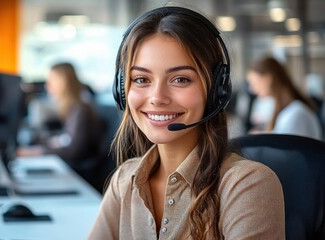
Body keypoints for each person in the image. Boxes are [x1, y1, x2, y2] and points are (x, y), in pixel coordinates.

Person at [88, 6, 284, 239]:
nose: (157, 97)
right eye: (141, 79)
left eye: (180, 79)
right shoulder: (125, 180)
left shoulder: (246, 185)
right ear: (122, 90)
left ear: (215, 91)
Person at [17, 62, 103, 180]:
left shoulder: (80, 110)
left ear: (64, 83)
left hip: (79, 174)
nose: (48, 86)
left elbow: (74, 151)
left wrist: (37, 152)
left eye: (52, 81)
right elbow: (66, 139)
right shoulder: (74, 108)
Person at [246, 56, 323, 141]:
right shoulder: (288, 110)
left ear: (268, 79)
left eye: (254, 83)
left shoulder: (296, 114)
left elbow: (286, 150)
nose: (252, 90)